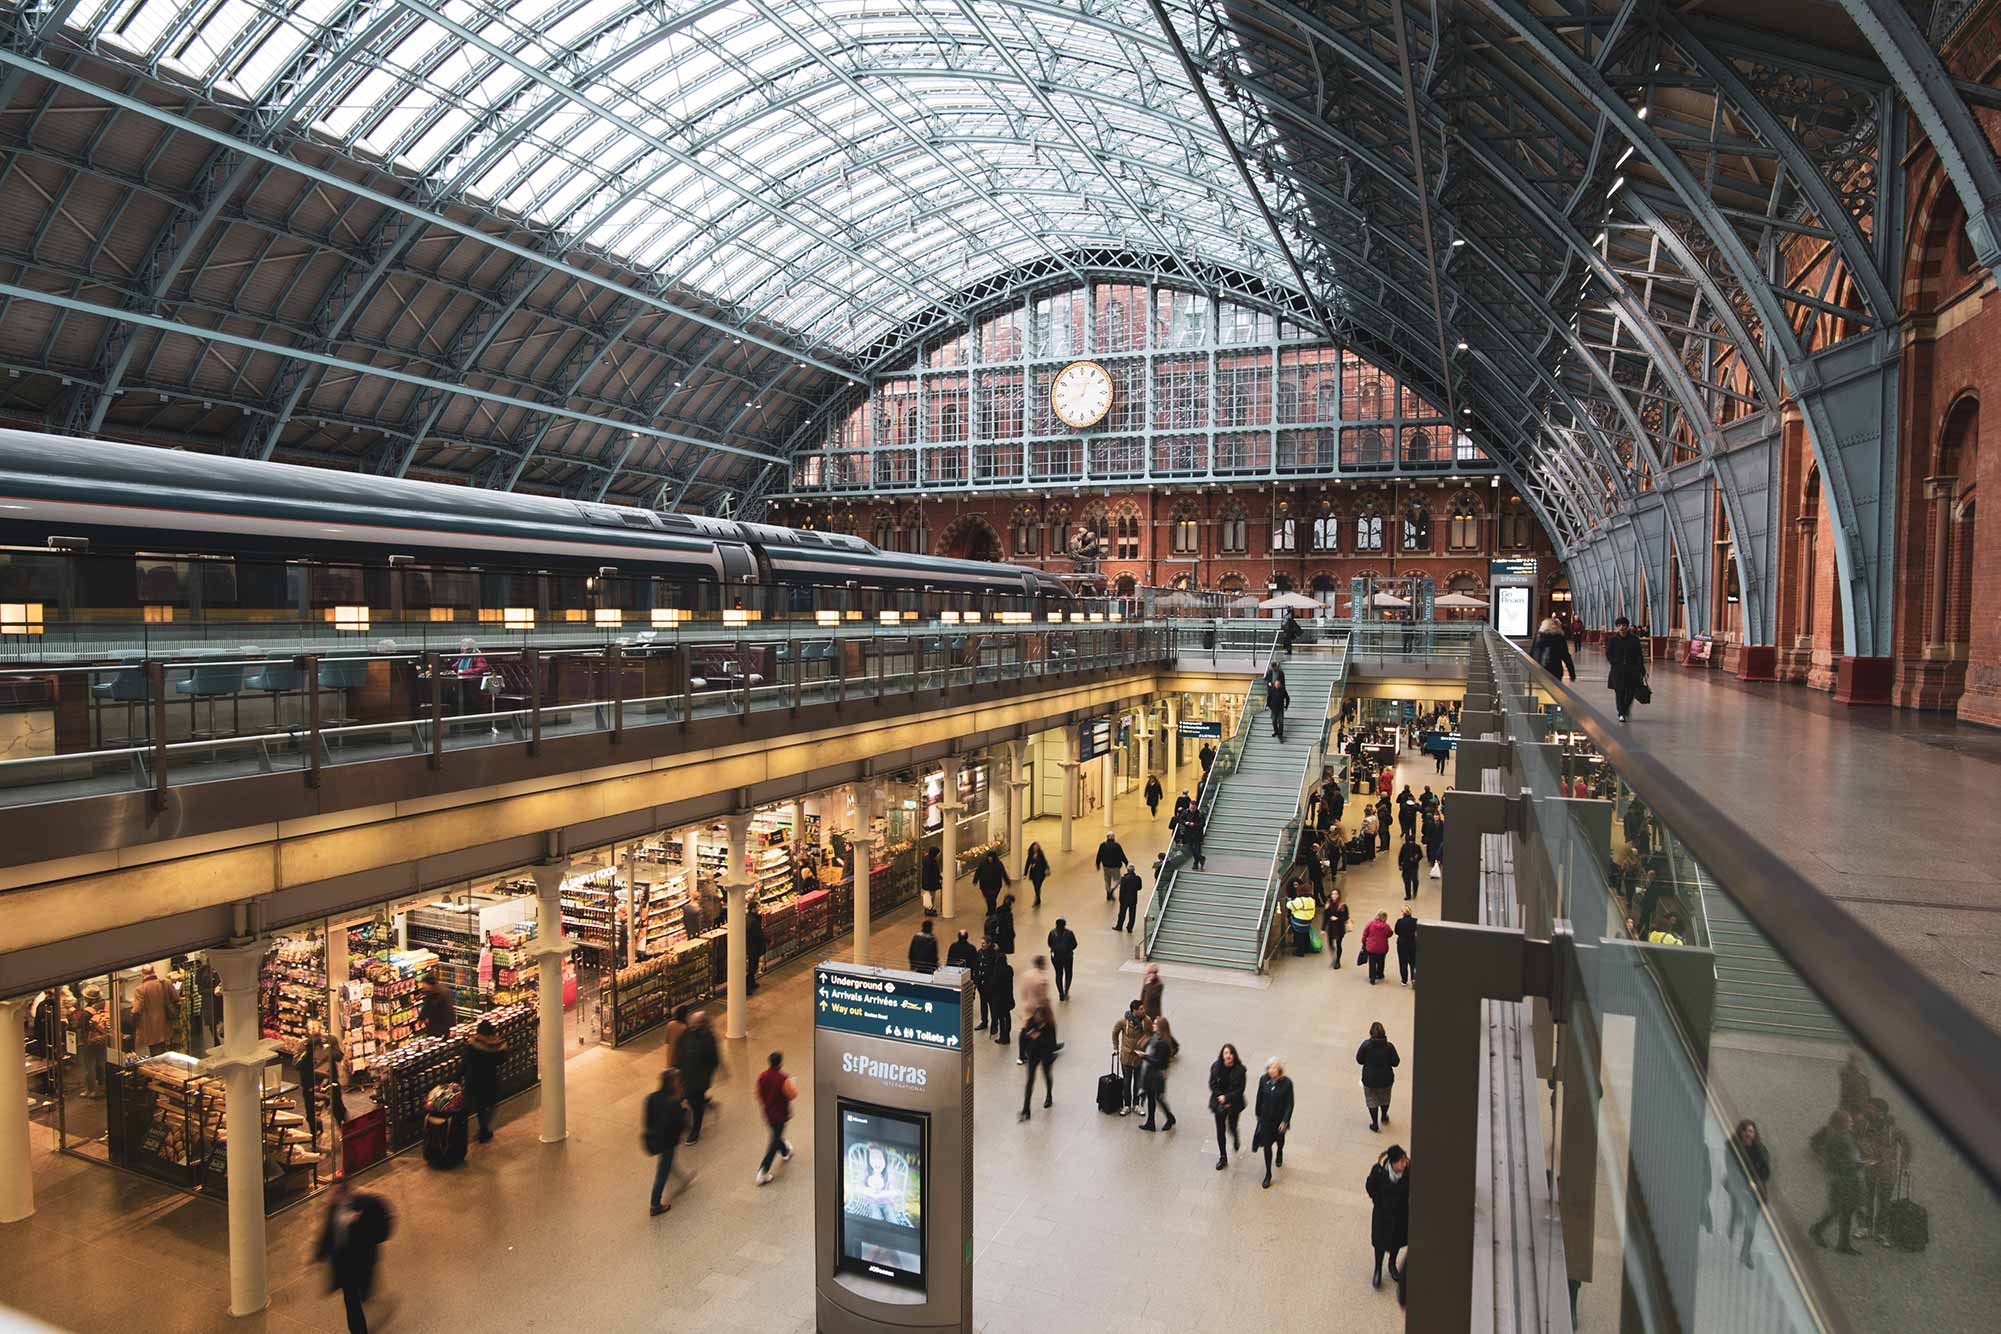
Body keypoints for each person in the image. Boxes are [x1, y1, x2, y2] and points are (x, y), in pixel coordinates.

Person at [316, 1175, 393, 1334]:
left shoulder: (365, 1204)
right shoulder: (333, 1208)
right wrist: (318, 1256)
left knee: (363, 1289)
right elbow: (328, 1232)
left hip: (363, 1259)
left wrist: (358, 1222)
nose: (333, 1198)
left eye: (336, 1194)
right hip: (345, 1264)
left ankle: (366, 1295)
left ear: (345, 1193)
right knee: (351, 1301)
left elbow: (380, 1227)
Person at [1854, 1098, 1910, 1244]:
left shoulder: (1894, 1130)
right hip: (1870, 1169)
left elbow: (1906, 1145)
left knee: (1884, 1202)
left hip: (1887, 1172)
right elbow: (1856, 1138)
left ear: (1881, 1113)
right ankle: (1864, 1227)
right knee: (1866, 1199)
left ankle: (1881, 1232)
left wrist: (1904, 1165)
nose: (1866, 1110)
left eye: (1870, 1108)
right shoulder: (1864, 1125)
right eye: (1867, 1107)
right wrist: (1863, 1152)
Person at [1808, 1109, 1865, 1254]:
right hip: (1844, 1180)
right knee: (1841, 1210)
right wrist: (1859, 1164)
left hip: (1844, 1179)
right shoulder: (1840, 1139)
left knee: (1842, 1210)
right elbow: (1840, 1162)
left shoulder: (1841, 1135)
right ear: (1842, 1123)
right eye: (1849, 1120)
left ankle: (1839, 1241)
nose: (1852, 1122)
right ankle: (1824, 1233)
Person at [644, 1068, 694, 1215]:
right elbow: (679, 1124)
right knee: (663, 1171)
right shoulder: (673, 1103)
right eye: (677, 1081)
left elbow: (648, 1120)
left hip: (656, 1139)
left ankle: (684, 1179)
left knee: (668, 1163)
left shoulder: (652, 1098)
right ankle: (655, 1204)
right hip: (667, 1142)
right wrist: (685, 1112)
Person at [1723, 1118, 1771, 1268]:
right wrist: (1742, 1187)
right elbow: (1731, 1171)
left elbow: (1766, 1173)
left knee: (1751, 1224)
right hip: (1738, 1188)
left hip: (1754, 1193)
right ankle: (1732, 1222)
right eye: (1744, 1131)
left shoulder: (1761, 1150)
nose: (1747, 1134)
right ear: (1740, 1133)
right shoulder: (1733, 1150)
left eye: (1750, 1131)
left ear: (1754, 1133)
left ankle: (1745, 1253)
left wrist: (1756, 1184)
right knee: (1736, 1208)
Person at [672, 1010, 722, 1144]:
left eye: (695, 1022)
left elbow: (713, 1060)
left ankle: (695, 1131)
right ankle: (704, 1105)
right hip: (686, 1076)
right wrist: (678, 1068)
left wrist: (705, 1074)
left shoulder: (708, 1038)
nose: (691, 1024)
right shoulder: (686, 1034)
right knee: (686, 1099)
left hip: (699, 1079)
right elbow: (679, 1050)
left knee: (696, 1106)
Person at [1367, 1146, 1412, 1287]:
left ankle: (1392, 1264)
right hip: (1383, 1215)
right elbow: (1369, 1186)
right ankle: (1378, 1269)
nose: (1403, 1164)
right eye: (1400, 1162)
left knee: (1396, 1241)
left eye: (1404, 1161)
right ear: (1392, 1163)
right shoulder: (1379, 1171)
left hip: (1400, 1215)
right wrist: (1378, 1201)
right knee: (1380, 1243)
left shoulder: (1408, 1172)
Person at [753, 1051, 798, 1185]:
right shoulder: (784, 1079)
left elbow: (757, 1093)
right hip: (780, 1114)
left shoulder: (762, 1077)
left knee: (776, 1135)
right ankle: (763, 1171)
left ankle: (785, 1151)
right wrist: (793, 1086)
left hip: (768, 1113)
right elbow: (792, 1095)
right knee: (774, 1142)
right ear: (780, 1063)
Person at [1250, 1056, 1296, 1189]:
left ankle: (1280, 1151)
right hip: (1266, 1120)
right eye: (1269, 1067)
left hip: (1279, 1120)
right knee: (1267, 1145)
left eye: (1274, 1068)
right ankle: (1268, 1174)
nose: (1271, 1070)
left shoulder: (1287, 1083)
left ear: (1279, 1069)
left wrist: (1285, 1120)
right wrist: (1258, 1114)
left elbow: (1289, 1103)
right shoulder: (1264, 1080)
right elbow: (1259, 1097)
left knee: (1280, 1140)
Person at [1209, 1043, 1248, 1169]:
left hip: (1233, 1103)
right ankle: (1223, 1157)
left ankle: (1235, 1136)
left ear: (1234, 1055)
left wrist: (1227, 1098)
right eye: (1226, 1053)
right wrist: (1220, 1096)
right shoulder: (1216, 1067)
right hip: (1219, 1103)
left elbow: (1240, 1089)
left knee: (1232, 1126)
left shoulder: (1240, 1070)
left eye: (1231, 1053)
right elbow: (1212, 1084)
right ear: (1222, 1055)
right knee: (1220, 1131)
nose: (1228, 1056)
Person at [1357, 1021, 1400, 1131]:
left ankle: (1374, 1123)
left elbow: (1359, 1060)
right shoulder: (1389, 1046)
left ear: (1371, 1033)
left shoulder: (1366, 1045)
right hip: (1386, 1079)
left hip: (1369, 1079)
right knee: (1385, 1098)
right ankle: (1384, 1116)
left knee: (1371, 1100)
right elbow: (1396, 1062)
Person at [1605, 616, 1648, 723]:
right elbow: (1609, 654)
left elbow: (1639, 655)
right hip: (1618, 670)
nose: (1621, 628)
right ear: (1616, 627)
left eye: (1624, 625)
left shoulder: (1634, 640)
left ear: (1627, 626)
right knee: (1619, 692)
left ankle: (1625, 709)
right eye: (1619, 625)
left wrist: (1642, 670)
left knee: (1630, 692)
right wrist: (1615, 662)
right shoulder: (1612, 640)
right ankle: (1621, 713)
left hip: (1631, 670)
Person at [1138, 1015, 1178, 1132]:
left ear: (1160, 1027)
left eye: (1155, 1024)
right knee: (1152, 1097)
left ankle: (1169, 1118)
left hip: (1157, 1075)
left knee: (1158, 1098)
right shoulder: (1158, 1038)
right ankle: (1151, 1122)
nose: (1153, 1025)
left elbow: (1159, 1062)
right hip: (1152, 1074)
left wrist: (1145, 1056)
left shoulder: (1163, 1043)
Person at [1017, 1006, 1058, 1120]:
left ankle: (1049, 1095)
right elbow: (1024, 1037)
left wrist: (1037, 1037)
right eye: (1036, 1017)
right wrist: (1025, 1051)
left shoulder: (1050, 1026)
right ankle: (1026, 1108)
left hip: (1045, 1054)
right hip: (1033, 1054)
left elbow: (1052, 1044)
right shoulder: (1032, 1022)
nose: (1038, 1019)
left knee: (1046, 1075)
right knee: (1030, 1080)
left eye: (1040, 1018)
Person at [130, 965, 179, 1056]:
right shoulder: (166, 983)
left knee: (155, 1054)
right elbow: (176, 999)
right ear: (154, 971)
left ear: (142, 973)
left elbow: (136, 1010)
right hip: (166, 1024)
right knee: (165, 1051)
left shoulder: (140, 989)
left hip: (150, 1028)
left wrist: (133, 1022)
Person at [1015, 955, 1054, 1064]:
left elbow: (1022, 990)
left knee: (1025, 1030)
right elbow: (1043, 997)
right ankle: (1046, 1053)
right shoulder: (1042, 979)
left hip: (1026, 1006)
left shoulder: (1026, 975)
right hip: (1037, 1009)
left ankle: (1021, 1056)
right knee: (1043, 1030)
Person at [1113, 1001, 1148, 1114]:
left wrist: (1145, 1045)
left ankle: (1136, 1104)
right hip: (1126, 1057)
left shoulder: (1146, 1021)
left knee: (1138, 1082)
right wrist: (1116, 1047)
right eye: (1141, 1009)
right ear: (1135, 1010)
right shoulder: (1123, 1021)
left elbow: (1151, 1034)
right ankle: (1127, 1104)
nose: (1144, 1011)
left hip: (1139, 1057)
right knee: (1126, 1082)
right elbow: (1115, 1032)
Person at [1531, 615, 1576, 681]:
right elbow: (1566, 656)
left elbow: (1532, 653)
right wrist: (1572, 674)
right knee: (1555, 689)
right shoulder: (1559, 637)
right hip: (1556, 670)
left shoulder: (1538, 637)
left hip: (1539, 669)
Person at [985, 945, 1015, 1044]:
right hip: (1008, 996)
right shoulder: (1009, 969)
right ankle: (1007, 1035)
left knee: (1001, 1018)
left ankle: (1003, 1037)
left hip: (999, 999)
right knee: (1007, 1016)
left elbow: (993, 985)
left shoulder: (997, 971)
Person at [1047, 919, 1078, 1000]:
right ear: (1064, 925)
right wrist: (1068, 949)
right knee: (1068, 973)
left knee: (1058, 974)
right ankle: (1066, 990)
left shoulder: (1052, 932)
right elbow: (1075, 944)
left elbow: (1049, 943)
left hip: (1056, 957)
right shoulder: (1069, 933)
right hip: (1067, 957)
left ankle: (1060, 993)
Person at [972, 937, 998, 1033]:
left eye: (983, 943)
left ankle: (994, 1024)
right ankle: (984, 1021)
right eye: (981, 943)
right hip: (981, 984)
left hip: (990, 985)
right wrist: (975, 982)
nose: (982, 945)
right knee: (983, 1003)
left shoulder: (994, 955)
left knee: (992, 1005)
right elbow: (976, 967)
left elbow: (995, 970)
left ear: (989, 943)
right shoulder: (979, 953)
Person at [419, 973, 455, 1041]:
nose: (423, 986)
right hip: (445, 1025)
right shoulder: (444, 990)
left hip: (438, 1026)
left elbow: (427, 1007)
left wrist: (421, 1018)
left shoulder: (435, 994)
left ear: (428, 983)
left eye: (424, 984)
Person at [1285, 885, 1318, 957]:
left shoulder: (1300, 900)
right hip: (1308, 920)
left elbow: (1290, 906)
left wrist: (1289, 901)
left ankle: (1300, 951)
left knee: (1300, 935)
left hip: (1299, 921)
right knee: (1306, 933)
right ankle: (1306, 948)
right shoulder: (1312, 899)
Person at [973, 849, 1009, 914]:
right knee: (988, 899)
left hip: (995, 885)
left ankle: (992, 911)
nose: (990, 858)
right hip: (985, 885)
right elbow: (978, 872)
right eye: (989, 857)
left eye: (991, 857)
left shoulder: (998, 864)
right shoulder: (983, 863)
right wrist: (975, 880)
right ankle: (990, 909)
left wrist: (1007, 881)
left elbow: (1003, 873)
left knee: (992, 898)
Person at [1360, 910, 1392, 984]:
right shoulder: (1386, 926)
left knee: (1372, 962)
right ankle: (1380, 974)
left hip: (1372, 947)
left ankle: (1372, 978)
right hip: (1382, 947)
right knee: (1381, 961)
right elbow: (1390, 933)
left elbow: (1365, 933)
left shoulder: (1371, 924)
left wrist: (1363, 941)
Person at [1095, 833, 1129, 901]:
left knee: (1107, 881)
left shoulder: (1102, 845)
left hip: (1106, 867)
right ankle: (1112, 890)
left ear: (1107, 837)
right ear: (1113, 838)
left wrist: (1098, 864)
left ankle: (1108, 893)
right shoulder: (1117, 845)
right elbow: (1121, 855)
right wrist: (1126, 862)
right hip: (1115, 867)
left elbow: (1099, 855)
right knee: (1118, 880)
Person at [744, 900, 766, 995]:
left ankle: (752, 982)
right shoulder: (752, 921)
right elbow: (757, 934)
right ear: (753, 909)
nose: (759, 909)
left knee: (753, 965)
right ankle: (748, 986)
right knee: (752, 966)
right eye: (757, 907)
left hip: (752, 946)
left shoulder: (750, 918)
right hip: (753, 947)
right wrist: (765, 940)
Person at [1325, 891, 1351, 970]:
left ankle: (1337, 961)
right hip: (1330, 928)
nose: (1334, 896)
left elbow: (1346, 917)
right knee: (1330, 944)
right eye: (1333, 894)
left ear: (1339, 895)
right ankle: (1334, 955)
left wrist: (1338, 919)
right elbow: (1325, 916)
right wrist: (1323, 928)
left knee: (1338, 944)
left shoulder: (1343, 906)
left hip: (1339, 928)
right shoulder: (1328, 905)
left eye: (1336, 894)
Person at [1115, 862, 1143, 933]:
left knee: (1122, 914)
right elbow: (1139, 888)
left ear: (1127, 870)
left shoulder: (1124, 879)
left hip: (1125, 899)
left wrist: (1120, 899)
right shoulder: (1138, 878)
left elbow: (1121, 890)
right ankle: (1130, 927)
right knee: (1132, 914)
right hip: (1133, 899)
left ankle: (1119, 926)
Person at [1393, 907, 1418, 985]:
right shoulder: (1415, 921)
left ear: (1403, 913)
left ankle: (1404, 980)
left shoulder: (1399, 921)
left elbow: (1396, 931)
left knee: (1403, 962)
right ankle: (1414, 978)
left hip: (1402, 943)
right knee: (1413, 962)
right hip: (1412, 943)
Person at [1178, 803, 1206, 870]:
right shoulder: (1186, 813)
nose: (1192, 809)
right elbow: (1180, 819)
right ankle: (1200, 858)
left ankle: (1195, 863)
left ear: (1196, 807)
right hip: (1188, 834)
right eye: (1191, 808)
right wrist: (1185, 823)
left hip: (1197, 835)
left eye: (1193, 808)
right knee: (1191, 849)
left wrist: (1194, 825)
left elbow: (1202, 824)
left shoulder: (1200, 814)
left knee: (1197, 849)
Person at [1397, 836, 1423, 902]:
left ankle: (1414, 892)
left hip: (1414, 866)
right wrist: (1400, 864)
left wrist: (1416, 859)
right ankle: (1408, 895)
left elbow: (1420, 855)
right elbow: (1400, 856)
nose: (1411, 843)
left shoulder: (1417, 847)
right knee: (1406, 881)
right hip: (1406, 867)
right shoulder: (1404, 847)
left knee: (1415, 880)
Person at [1025, 841, 1050, 908]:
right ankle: (1038, 899)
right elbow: (1027, 863)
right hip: (1034, 873)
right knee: (1035, 886)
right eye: (1034, 847)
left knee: (1038, 886)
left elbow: (1044, 862)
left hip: (1040, 873)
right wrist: (1025, 873)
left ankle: (1037, 900)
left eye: (1037, 847)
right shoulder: (1030, 854)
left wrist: (1047, 868)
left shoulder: (1040, 854)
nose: (1035, 848)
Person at [920, 845, 944, 916]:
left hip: (929, 881)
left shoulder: (928, 860)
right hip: (931, 882)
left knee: (929, 896)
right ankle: (929, 909)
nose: (938, 856)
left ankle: (929, 908)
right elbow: (932, 872)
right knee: (931, 896)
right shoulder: (931, 861)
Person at [1268, 673, 1290, 741]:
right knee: (1274, 721)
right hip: (1273, 709)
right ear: (1274, 684)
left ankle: (1280, 736)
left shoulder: (1283, 690)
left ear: (1280, 684)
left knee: (1281, 722)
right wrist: (1268, 705)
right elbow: (1269, 698)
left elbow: (1287, 698)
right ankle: (1276, 732)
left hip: (1280, 709)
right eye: (1276, 684)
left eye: (1278, 684)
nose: (1277, 685)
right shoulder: (1272, 690)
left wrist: (1286, 706)